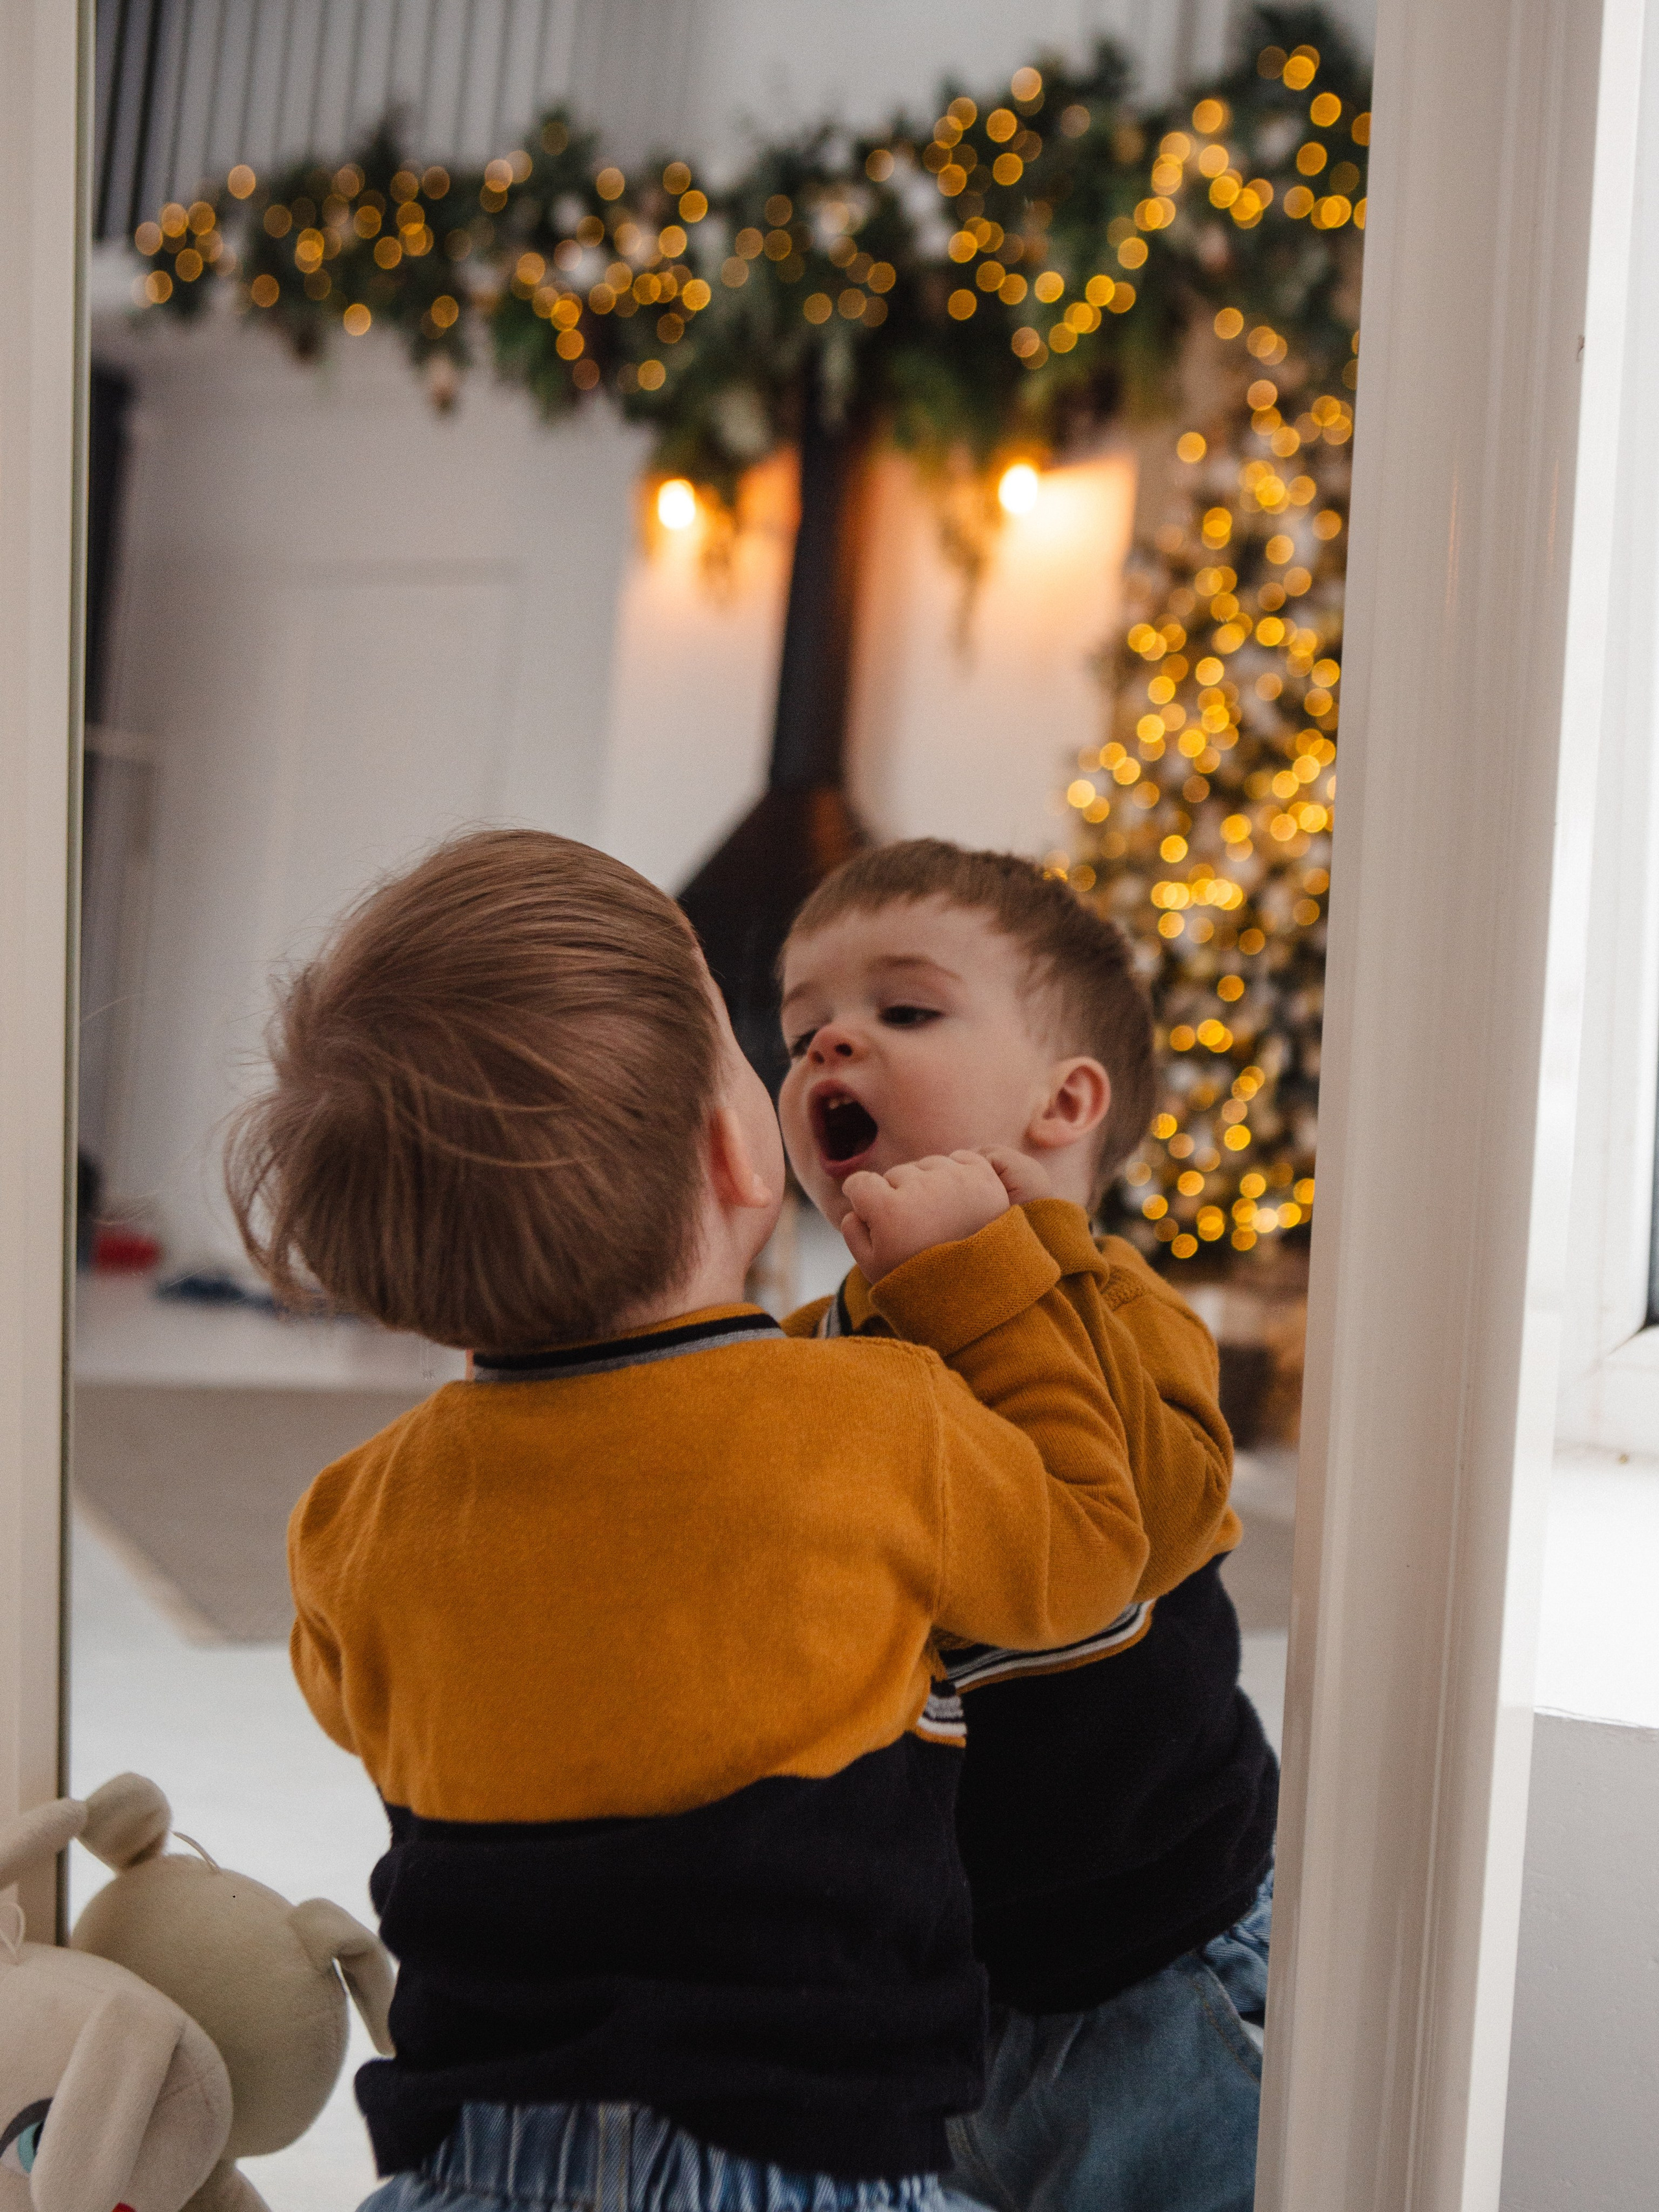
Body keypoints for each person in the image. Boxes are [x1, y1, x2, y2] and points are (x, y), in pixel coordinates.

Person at [224, 826, 1154, 2212]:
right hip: (806, 2163)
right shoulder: (871, 1424)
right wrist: (978, 1283)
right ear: (736, 1150)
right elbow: (1091, 1557)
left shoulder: (350, 1520)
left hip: (472, 2164)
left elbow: (360, 1700)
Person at [778, 839, 1279, 2212]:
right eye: (799, 1022)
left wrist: (977, 1277)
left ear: (1063, 1102)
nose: (829, 1039)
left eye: (905, 1010)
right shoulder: (812, 1349)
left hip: (1155, 1965)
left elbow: (1146, 1523)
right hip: (933, 1992)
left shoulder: (1127, 1314)